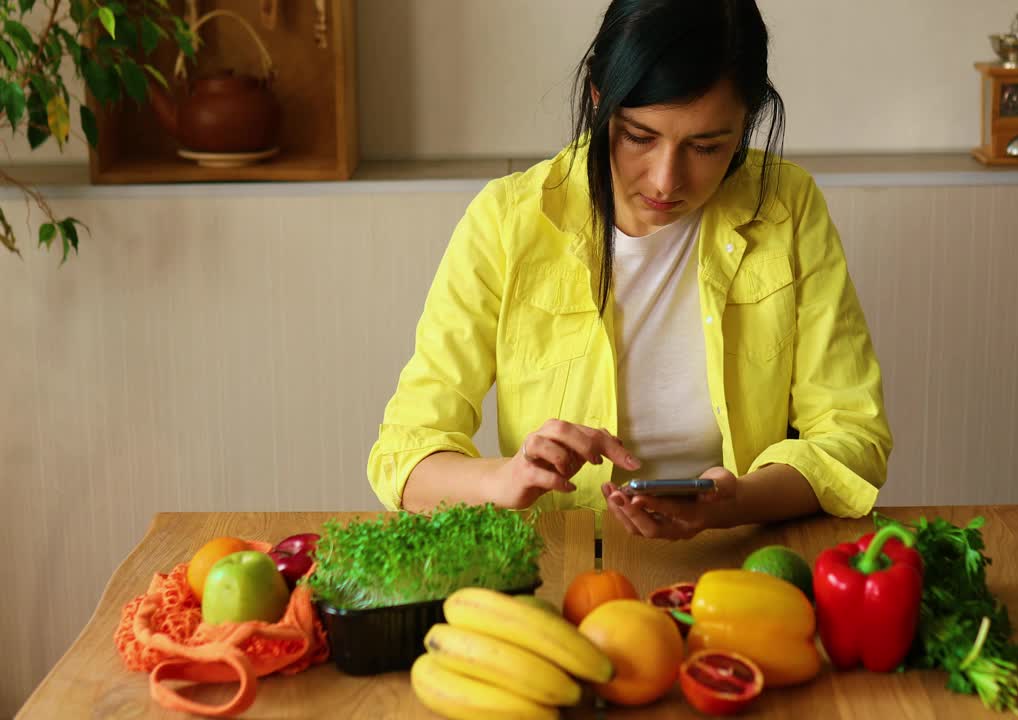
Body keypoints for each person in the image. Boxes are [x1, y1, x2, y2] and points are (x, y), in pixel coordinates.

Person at [367, 0, 892, 539]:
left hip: (741, 553)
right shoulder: (508, 221)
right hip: (562, 561)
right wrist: (506, 478)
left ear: (748, 121)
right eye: (640, 137)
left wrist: (734, 503)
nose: (666, 180)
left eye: (707, 146)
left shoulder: (786, 205)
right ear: (599, 100)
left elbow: (852, 437)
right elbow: (405, 456)